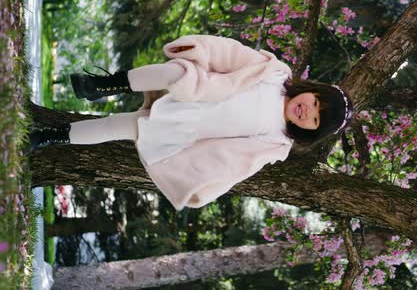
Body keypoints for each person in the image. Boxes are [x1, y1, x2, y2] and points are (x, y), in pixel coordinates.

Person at [30, 35, 354, 210]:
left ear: (310, 131)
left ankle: (52, 135)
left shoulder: (277, 141)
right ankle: (105, 85)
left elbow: (236, 165)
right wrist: (200, 49)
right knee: (177, 73)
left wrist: (206, 190)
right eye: (313, 103)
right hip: (198, 88)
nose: (306, 111)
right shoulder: (274, 74)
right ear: (311, 91)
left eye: (313, 119)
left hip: (184, 128)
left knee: (118, 126)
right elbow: (231, 54)